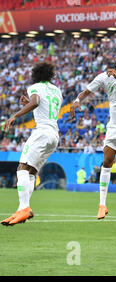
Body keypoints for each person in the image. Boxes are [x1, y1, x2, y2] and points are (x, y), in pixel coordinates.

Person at [70, 48, 116, 219]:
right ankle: (102, 204)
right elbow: (86, 92)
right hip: (115, 124)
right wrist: (76, 101)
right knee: (107, 161)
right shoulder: (103, 77)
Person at [2, 62, 63, 226]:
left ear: (36, 74)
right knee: (31, 172)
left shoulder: (35, 86)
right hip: (54, 135)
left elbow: (36, 102)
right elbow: (44, 106)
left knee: (21, 169)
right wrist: (27, 102)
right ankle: (23, 209)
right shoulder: (57, 91)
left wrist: (15, 115)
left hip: (41, 132)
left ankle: (24, 208)